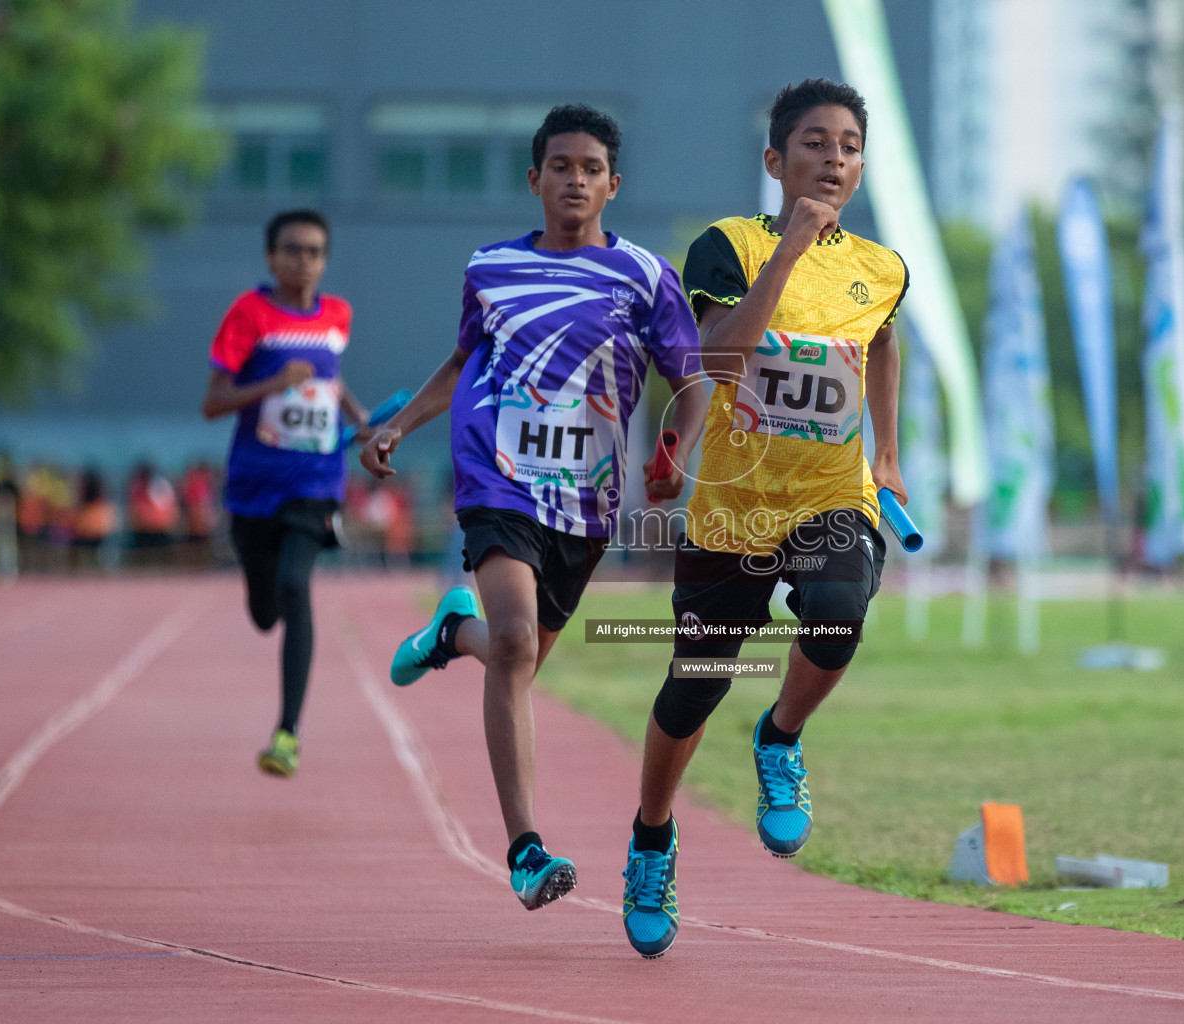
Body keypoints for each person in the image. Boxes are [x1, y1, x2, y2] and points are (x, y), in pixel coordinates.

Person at [361, 104, 705, 913]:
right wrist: (399, 426)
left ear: (613, 185)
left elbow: (692, 382)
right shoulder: (490, 269)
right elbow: (461, 361)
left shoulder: (645, 276)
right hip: (497, 478)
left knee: (519, 660)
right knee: (515, 645)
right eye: (560, 166)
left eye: (591, 169)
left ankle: (452, 633)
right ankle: (523, 849)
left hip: (585, 501)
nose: (575, 180)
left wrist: (673, 453)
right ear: (535, 179)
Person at [619, 79, 910, 958]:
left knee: (838, 605)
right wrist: (789, 251)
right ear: (776, 160)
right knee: (696, 683)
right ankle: (651, 838)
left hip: (830, 494)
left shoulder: (884, 268)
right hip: (734, 507)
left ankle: (780, 735)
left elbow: (886, 342)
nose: (834, 157)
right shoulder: (728, 247)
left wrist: (887, 453)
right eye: (815, 143)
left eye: (849, 145)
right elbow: (714, 355)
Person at [201, 209, 375, 778]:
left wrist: (360, 417)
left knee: (297, 586)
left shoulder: (338, 315)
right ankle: (263, 591)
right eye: (294, 250)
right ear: (271, 257)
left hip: (316, 481)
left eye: (316, 251)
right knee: (264, 610)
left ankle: (288, 732)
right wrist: (275, 383)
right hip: (254, 486)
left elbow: (330, 380)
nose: (306, 261)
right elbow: (213, 402)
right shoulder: (249, 315)